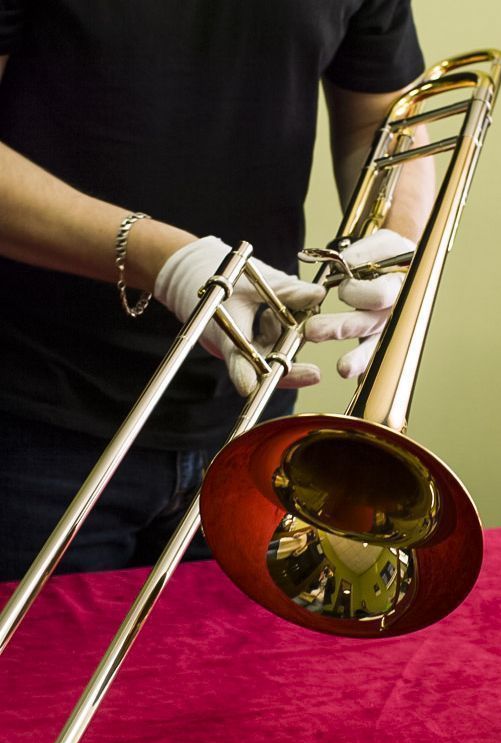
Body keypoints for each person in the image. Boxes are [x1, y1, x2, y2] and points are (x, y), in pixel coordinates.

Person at [0, 1, 435, 580]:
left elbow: (380, 116)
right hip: (34, 414)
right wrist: (170, 261)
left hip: (255, 414)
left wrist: (396, 245)